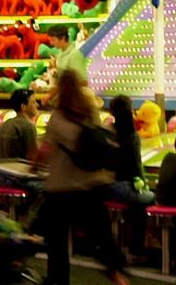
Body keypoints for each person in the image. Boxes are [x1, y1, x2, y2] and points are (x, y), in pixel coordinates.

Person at [39, 69, 129, 285]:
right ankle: (117, 275)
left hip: (62, 188)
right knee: (101, 236)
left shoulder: (58, 117)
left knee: (56, 242)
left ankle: (58, 280)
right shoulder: (90, 111)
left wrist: (34, 165)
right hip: (92, 185)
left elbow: (45, 151)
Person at [0, 89, 39, 160]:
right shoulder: (27, 127)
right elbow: (34, 157)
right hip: (17, 169)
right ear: (23, 107)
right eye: (33, 102)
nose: (37, 105)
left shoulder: (5, 124)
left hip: (0, 169)